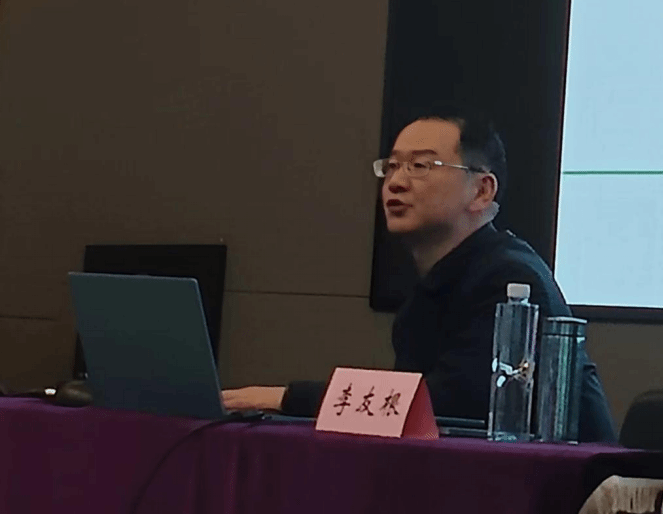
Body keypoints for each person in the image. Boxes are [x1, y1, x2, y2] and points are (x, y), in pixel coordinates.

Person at [223, 105, 617, 442]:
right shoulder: (437, 284)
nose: (396, 182)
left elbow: (443, 403)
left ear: (482, 191)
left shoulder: (511, 280)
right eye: (392, 166)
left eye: (421, 166)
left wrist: (286, 398)